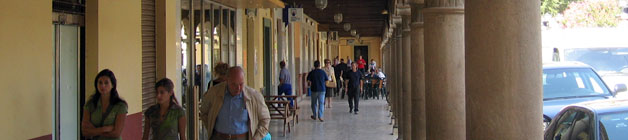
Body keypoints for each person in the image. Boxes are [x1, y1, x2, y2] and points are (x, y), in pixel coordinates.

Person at [200, 66, 270, 140]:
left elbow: (265, 119)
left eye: (241, 84)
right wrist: (211, 127)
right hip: (218, 137)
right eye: (234, 84)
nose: (238, 88)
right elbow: (204, 112)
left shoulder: (254, 97)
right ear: (227, 81)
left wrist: (256, 138)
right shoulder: (214, 93)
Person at [81, 69, 128, 140]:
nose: (103, 86)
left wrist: (94, 131)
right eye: (100, 82)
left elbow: (116, 133)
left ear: (112, 85)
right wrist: (105, 129)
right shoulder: (90, 104)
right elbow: (85, 131)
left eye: (106, 83)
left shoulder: (120, 106)